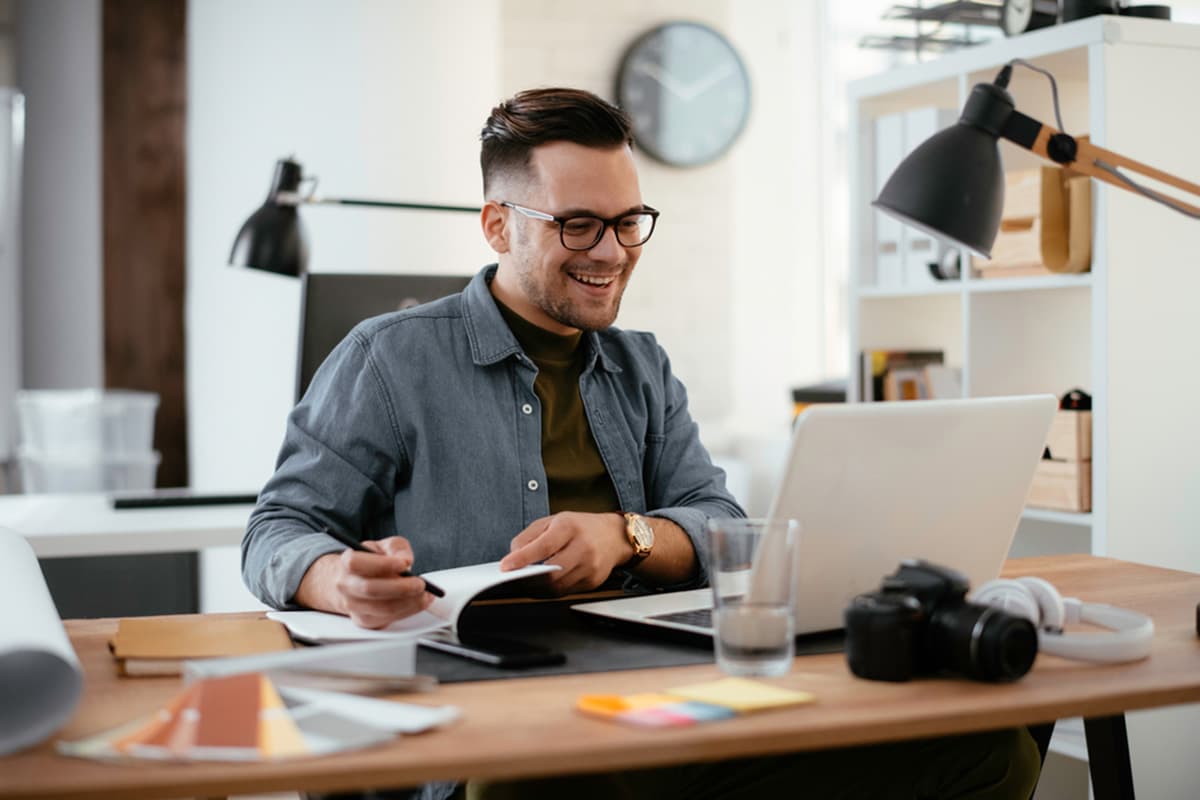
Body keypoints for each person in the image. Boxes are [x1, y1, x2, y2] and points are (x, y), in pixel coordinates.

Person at [243, 88, 1040, 800]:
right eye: (578, 224)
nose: (613, 251)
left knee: (986, 749)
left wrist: (626, 536)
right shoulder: (388, 358)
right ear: (497, 225)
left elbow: (713, 518)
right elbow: (276, 531)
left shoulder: (642, 365)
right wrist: (335, 580)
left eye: (628, 222)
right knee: (527, 784)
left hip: (655, 703)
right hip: (492, 730)